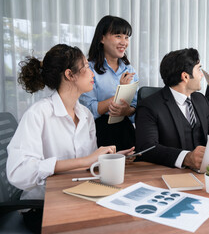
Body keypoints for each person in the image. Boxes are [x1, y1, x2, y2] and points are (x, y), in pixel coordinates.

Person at [6, 44, 134, 233]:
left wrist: (107, 159)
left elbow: (86, 165)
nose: (92, 73)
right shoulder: (38, 114)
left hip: (77, 196)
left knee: (125, 215)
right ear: (69, 74)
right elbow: (18, 172)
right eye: (86, 67)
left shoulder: (85, 115)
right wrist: (85, 160)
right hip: (43, 206)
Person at [135, 48, 209, 169]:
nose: (201, 75)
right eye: (198, 69)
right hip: (168, 174)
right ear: (185, 77)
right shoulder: (149, 106)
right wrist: (186, 158)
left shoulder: (201, 100)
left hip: (203, 173)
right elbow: (147, 148)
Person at [80, 15, 138, 151]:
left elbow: (134, 107)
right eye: (118, 36)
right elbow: (89, 110)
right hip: (99, 131)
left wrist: (127, 110)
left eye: (126, 37)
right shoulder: (88, 69)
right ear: (101, 38)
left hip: (125, 129)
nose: (124, 42)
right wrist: (120, 92)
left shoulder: (129, 70)